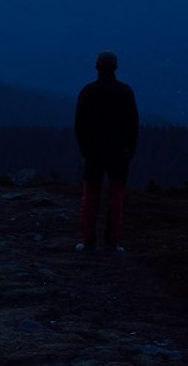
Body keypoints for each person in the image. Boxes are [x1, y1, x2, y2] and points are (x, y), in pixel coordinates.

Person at [74, 51, 139, 253]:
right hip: (119, 153)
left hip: (94, 152)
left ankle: (88, 242)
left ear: (97, 67)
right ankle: (112, 243)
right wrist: (130, 151)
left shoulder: (88, 91)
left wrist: (85, 151)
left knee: (90, 196)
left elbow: (79, 125)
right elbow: (133, 126)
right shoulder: (125, 92)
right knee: (116, 197)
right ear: (116, 68)